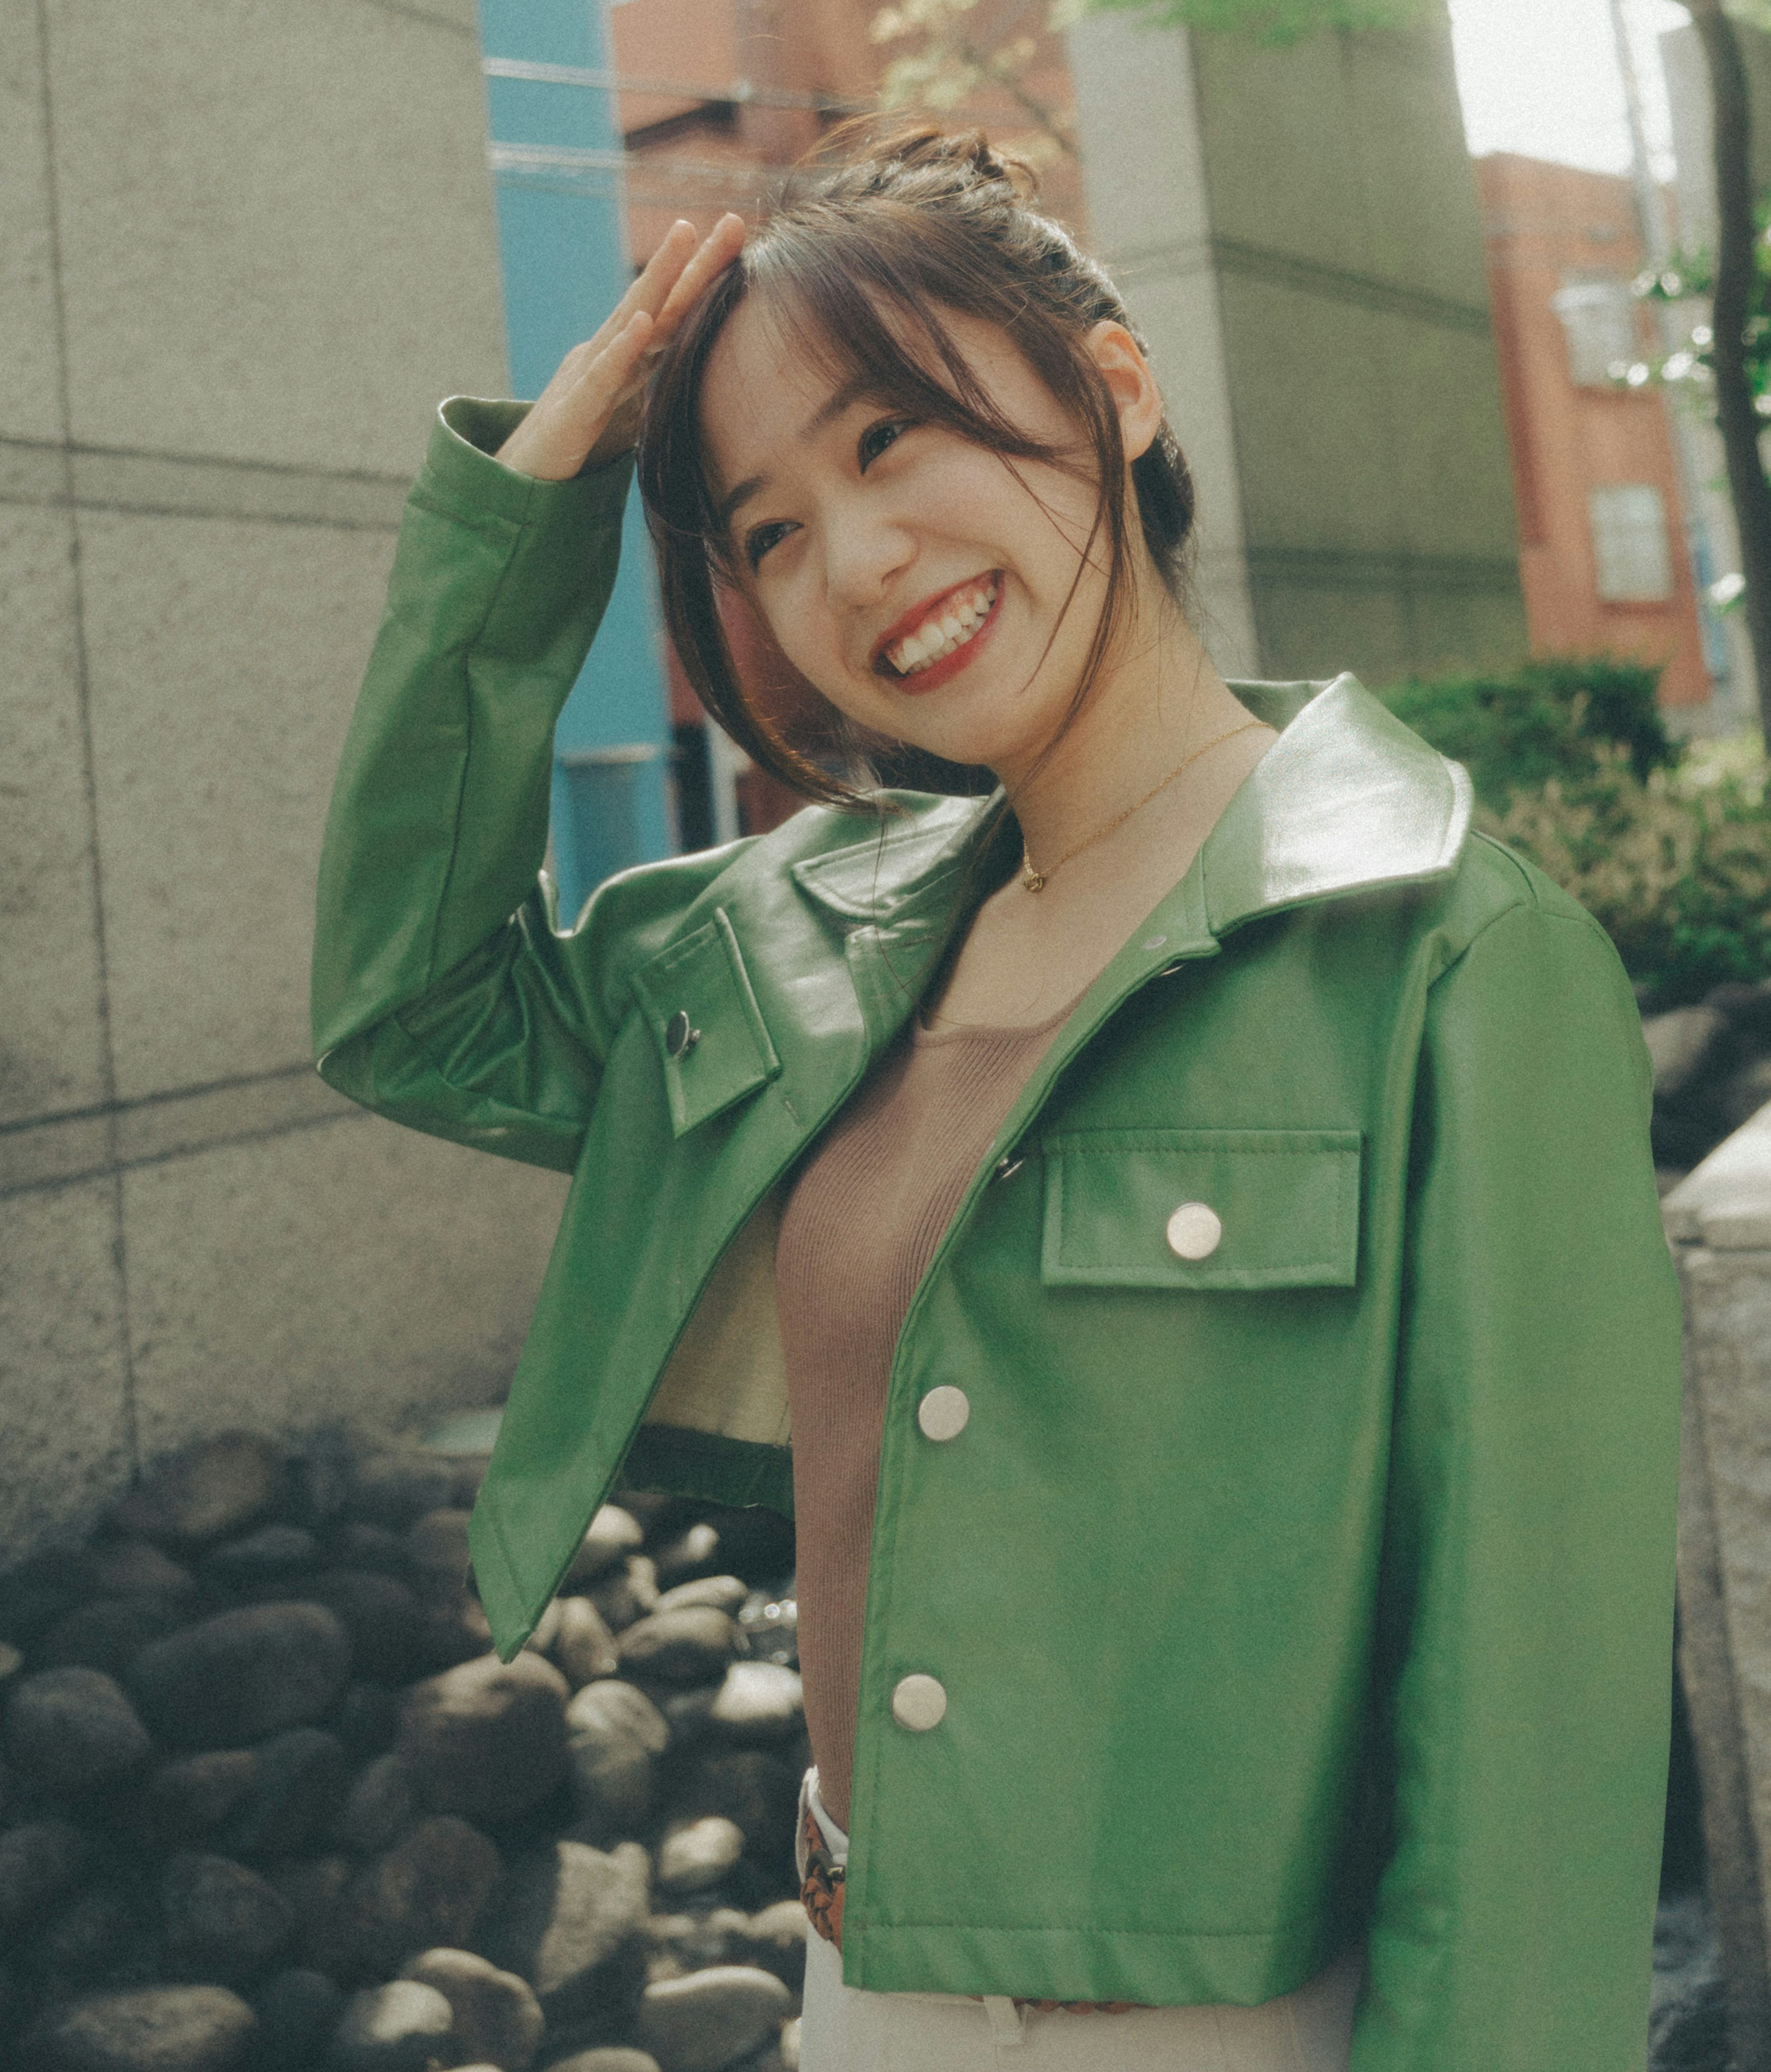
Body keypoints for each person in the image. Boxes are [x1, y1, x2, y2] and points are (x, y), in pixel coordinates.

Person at [312, 122, 1681, 2072]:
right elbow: (411, 1010)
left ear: (1113, 384)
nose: (855, 564)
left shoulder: (1445, 958)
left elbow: (1532, 1733)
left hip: (1228, 2027)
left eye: (890, 440)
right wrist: (526, 524)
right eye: (765, 529)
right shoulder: (798, 937)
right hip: (856, 1989)